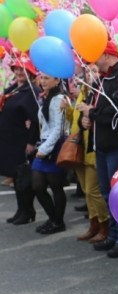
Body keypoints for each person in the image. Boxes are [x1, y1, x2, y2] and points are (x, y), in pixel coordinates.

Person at [78, 41, 118, 256]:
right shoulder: (106, 78)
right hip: (103, 143)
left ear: (107, 55)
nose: (92, 60)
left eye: (96, 54)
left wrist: (92, 114)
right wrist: (87, 118)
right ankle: (113, 234)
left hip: (116, 144)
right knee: (107, 193)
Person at [70, 64, 110, 242]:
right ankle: (93, 224)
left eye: (94, 70)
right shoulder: (85, 92)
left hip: (94, 147)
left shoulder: (101, 92)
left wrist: (89, 115)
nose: (90, 74)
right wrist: (78, 119)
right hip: (81, 146)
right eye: (87, 71)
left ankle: (104, 224)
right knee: (87, 190)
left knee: (94, 190)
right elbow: (79, 119)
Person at [1, 56, 40, 226]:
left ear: (30, 72)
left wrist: (31, 142)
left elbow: (35, 120)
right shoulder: (13, 89)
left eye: (22, 69)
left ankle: (27, 210)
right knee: (16, 178)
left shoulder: (31, 91)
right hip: (9, 140)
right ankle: (21, 209)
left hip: (21, 141)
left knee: (23, 178)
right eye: (16, 68)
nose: (18, 72)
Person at [31, 73, 68, 235]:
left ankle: (57, 221)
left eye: (47, 78)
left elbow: (58, 129)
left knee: (55, 186)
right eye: (42, 78)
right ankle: (53, 218)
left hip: (54, 146)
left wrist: (44, 149)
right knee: (37, 186)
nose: (43, 81)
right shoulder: (47, 97)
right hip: (45, 144)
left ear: (57, 79)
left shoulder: (59, 98)